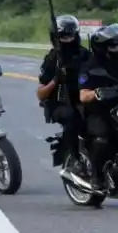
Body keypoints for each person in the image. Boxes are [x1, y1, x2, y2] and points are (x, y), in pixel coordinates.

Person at [78, 23, 118, 192]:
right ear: (102, 46)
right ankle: (96, 176)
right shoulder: (90, 67)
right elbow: (83, 95)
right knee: (103, 138)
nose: (117, 48)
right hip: (98, 111)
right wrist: (98, 93)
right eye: (113, 45)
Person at [36, 15, 91, 172]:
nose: (68, 40)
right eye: (63, 37)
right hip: (61, 103)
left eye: (71, 36)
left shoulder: (85, 54)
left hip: (85, 100)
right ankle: (75, 160)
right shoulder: (52, 60)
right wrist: (56, 80)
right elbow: (40, 94)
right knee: (71, 117)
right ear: (56, 38)